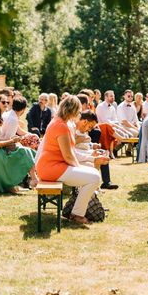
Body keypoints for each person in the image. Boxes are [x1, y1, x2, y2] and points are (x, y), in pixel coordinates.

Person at [37, 96, 104, 225]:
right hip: (51, 168)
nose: (79, 114)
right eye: (78, 111)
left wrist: (84, 163)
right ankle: (77, 215)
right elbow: (68, 155)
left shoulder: (61, 122)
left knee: (93, 174)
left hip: (53, 166)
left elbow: (70, 153)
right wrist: (79, 168)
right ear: (72, 110)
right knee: (94, 177)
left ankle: (77, 212)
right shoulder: (61, 125)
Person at [0, 95, 37, 194]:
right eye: (3, 102)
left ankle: (17, 183)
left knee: (22, 151)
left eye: (7, 102)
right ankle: (11, 184)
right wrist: (12, 141)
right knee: (19, 154)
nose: (6, 104)